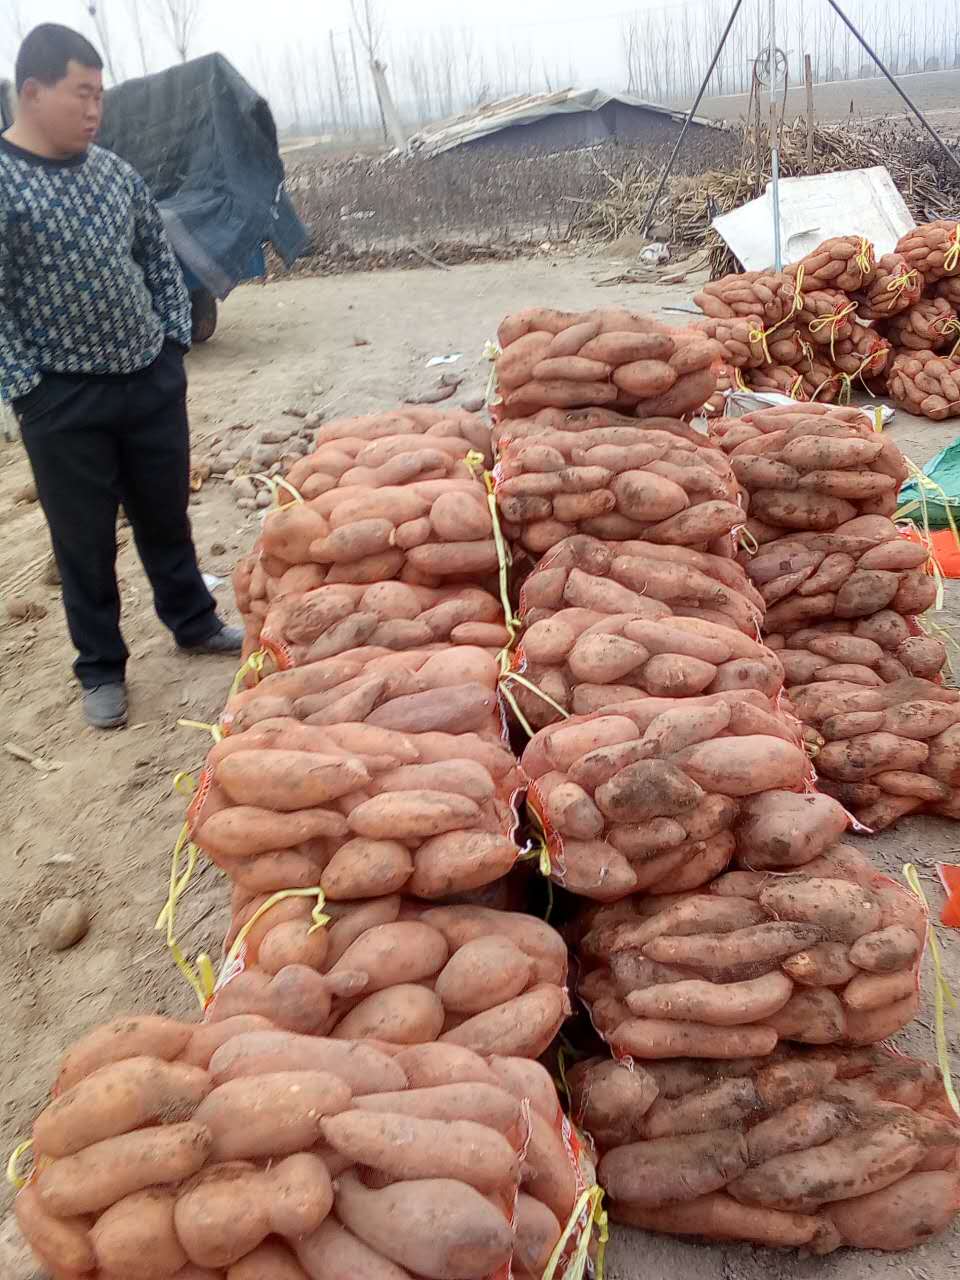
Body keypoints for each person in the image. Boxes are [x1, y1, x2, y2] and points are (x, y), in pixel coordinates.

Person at [0, 24, 242, 729]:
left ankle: (193, 621)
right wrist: (28, 388)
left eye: (99, 95)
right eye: (82, 93)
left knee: (166, 513)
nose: (93, 109)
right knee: (82, 540)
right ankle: (101, 667)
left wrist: (170, 346)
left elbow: (158, 260)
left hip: (148, 380)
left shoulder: (113, 173)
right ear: (33, 91)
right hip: (62, 397)